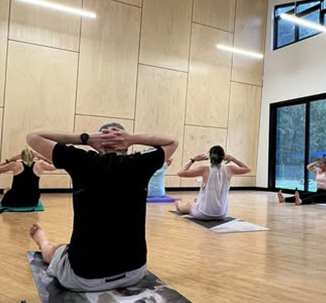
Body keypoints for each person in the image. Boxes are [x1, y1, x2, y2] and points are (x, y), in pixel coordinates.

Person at [27, 123, 178, 291]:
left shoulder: (82, 160)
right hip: (134, 273)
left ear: (98, 144)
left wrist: (85, 138)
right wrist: (132, 138)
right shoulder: (141, 163)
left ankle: (43, 242)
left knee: (58, 250)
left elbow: (33, 137)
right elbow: (172, 142)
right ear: (126, 145)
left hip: (84, 279)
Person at [175, 146, 250, 220]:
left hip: (203, 214)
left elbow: (180, 173)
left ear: (210, 157)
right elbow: (247, 169)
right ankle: (195, 204)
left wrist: (193, 160)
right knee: (196, 201)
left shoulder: (204, 170)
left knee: (189, 205)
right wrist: (233, 159)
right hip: (222, 215)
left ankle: (178, 204)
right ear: (223, 157)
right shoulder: (230, 169)